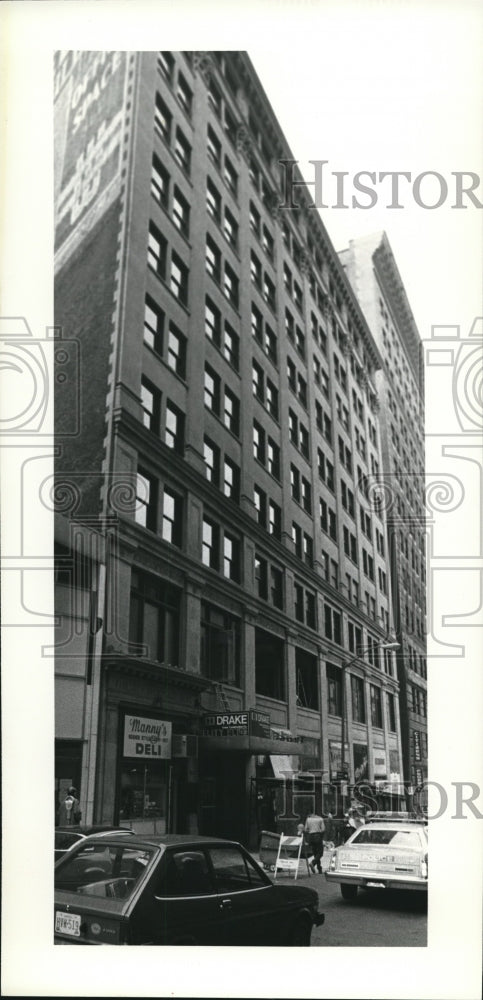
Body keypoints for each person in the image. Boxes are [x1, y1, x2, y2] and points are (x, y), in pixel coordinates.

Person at [304, 809, 325, 873]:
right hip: (317, 836)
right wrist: (318, 831)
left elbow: (305, 829)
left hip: (310, 837)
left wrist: (311, 830)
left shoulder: (308, 819)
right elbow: (323, 829)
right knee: (320, 853)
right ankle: (313, 863)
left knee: (315, 853)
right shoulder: (320, 819)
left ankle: (319, 869)